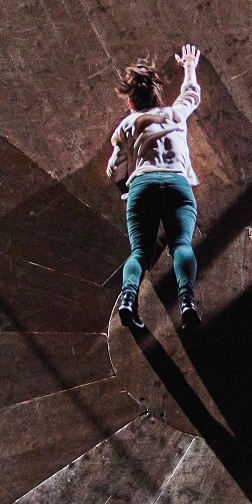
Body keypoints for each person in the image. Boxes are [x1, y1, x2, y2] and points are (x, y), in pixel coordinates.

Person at [106, 44, 203, 331]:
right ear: (156, 95)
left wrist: (125, 177)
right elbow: (191, 94)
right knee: (182, 244)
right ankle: (186, 302)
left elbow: (114, 170)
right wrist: (188, 66)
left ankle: (127, 299)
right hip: (177, 184)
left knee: (139, 253)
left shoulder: (128, 124)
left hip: (143, 186)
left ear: (131, 103)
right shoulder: (175, 115)